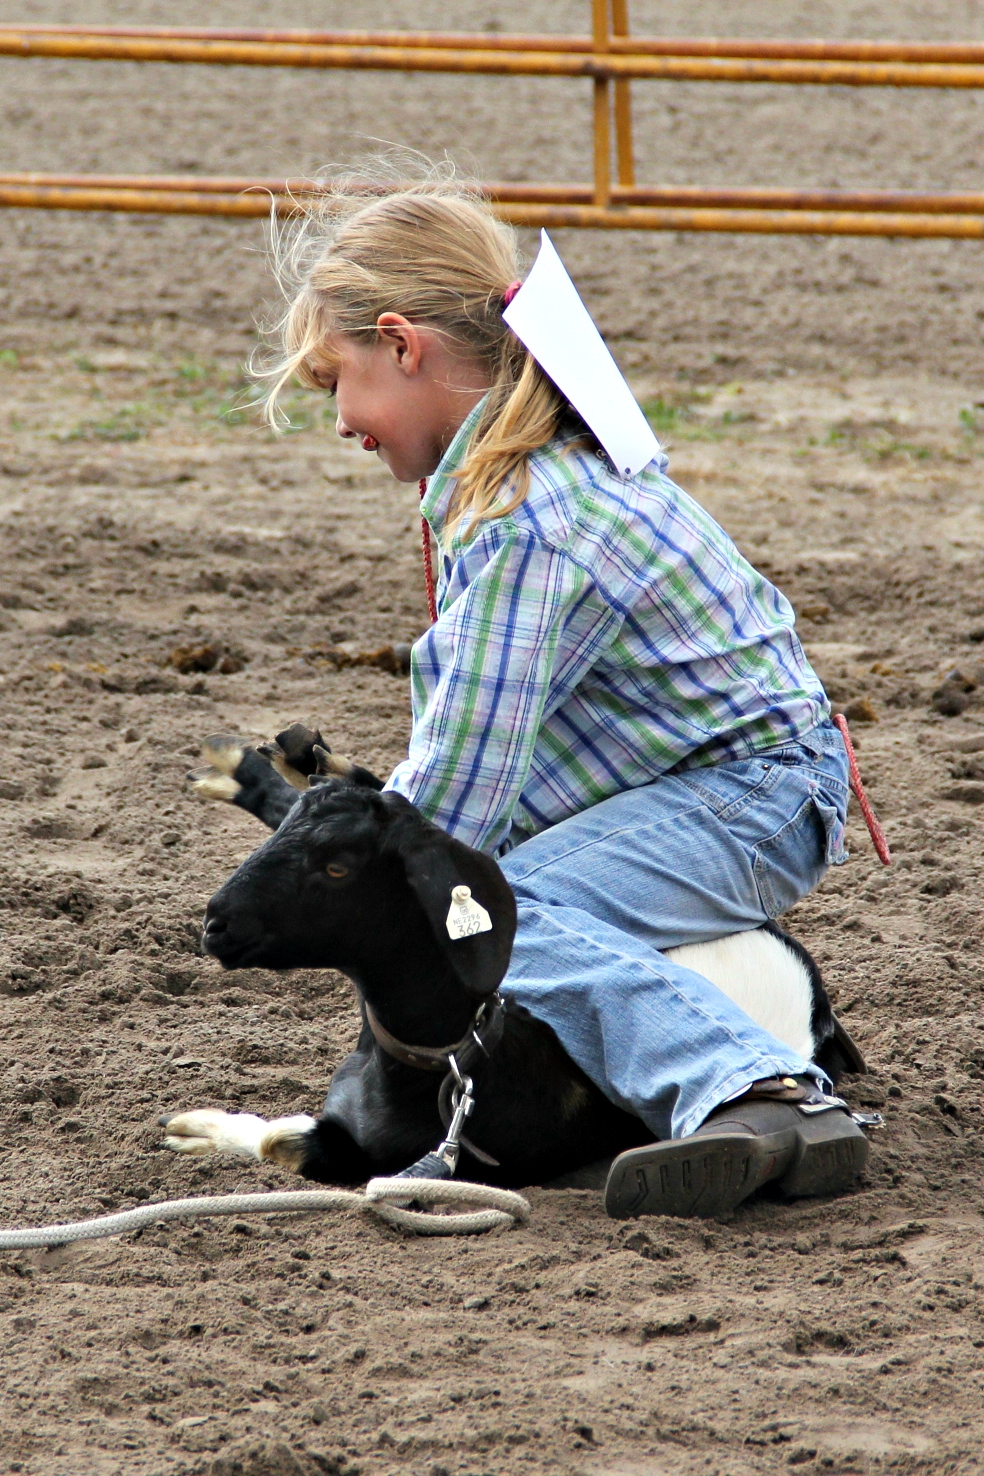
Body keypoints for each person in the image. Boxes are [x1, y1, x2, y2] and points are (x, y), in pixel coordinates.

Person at [257, 167, 868, 1218]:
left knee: (471, 914)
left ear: (403, 346)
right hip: (721, 779)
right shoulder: (539, 472)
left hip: (745, 796)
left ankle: (756, 1089)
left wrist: (344, 881)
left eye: (335, 380)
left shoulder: (524, 523)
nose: (341, 420)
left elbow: (452, 806)